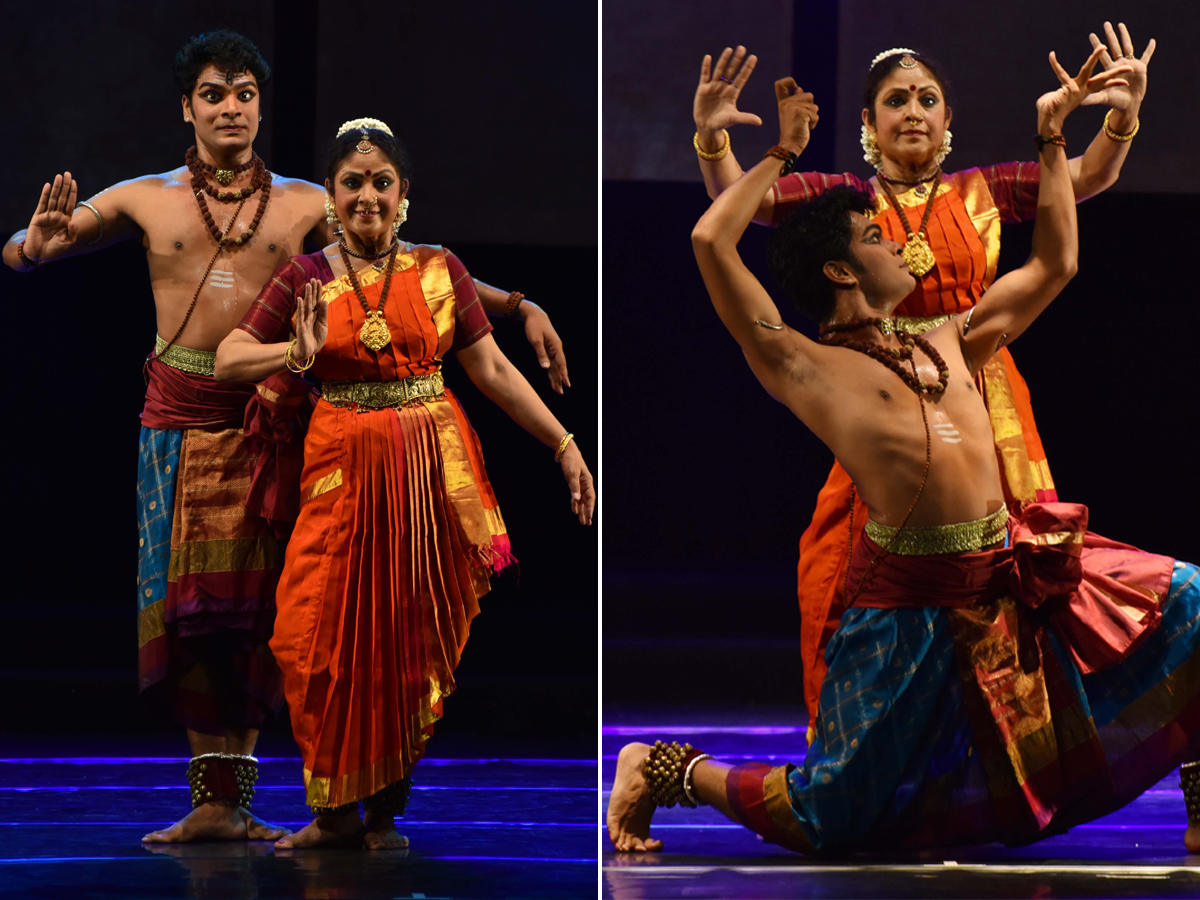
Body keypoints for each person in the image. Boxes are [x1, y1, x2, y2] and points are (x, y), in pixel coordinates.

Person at [608, 49, 1199, 855]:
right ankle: (666, 768)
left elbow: (1057, 261)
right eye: (877, 236)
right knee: (832, 818)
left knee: (1192, 606)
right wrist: (769, 152)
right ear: (841, 267)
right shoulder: (808, 369)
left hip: (1000, 567)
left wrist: (1056, 136)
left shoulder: (958, 336)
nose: (902, 246)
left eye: (929, 98)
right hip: (903, 613)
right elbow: (714, 239)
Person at [1, 30, 573, 844]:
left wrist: (519, 304)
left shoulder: (310, 200)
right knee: (194, 615)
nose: (230, 107)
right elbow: (31, 247)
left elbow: (412, 263)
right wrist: (33, 250)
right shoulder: (143, 198)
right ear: (186, 107)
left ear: (261, 105)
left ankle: (318, 795)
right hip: (179, 420)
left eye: (243, 92)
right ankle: (217, 804)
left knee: (278, 613)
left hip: (278, 420)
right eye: (213, 93)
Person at [692, 25, 1155, 740]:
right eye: (896, 100)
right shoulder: (846, 203)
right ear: (870, 125)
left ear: (946, 122)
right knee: (841, 564)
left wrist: (1118, 118)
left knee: (1025, 570)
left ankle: (1022, 737)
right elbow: (738, 214)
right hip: (875, 393)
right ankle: (859, 735)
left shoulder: (984, 191)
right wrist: (717, 145)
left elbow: (1084, 185)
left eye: (927, 98)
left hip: (977, 379)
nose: (913, 110)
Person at [215, 118, 596, 850]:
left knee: (403, 643)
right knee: (312, 637)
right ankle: (331, 814)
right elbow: (232, 355)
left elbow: (490, 371)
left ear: (403, 193)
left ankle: (382, 814)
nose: (367, 196)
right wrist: (289, 352)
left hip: (427, 479)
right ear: (329, 193)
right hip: (341, 478)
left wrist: (565, 444)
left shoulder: (439, 268)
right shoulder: (305, 277)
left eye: (380, 182)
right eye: (351, 183)